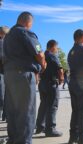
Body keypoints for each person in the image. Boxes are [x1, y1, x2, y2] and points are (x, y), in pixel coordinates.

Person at [3, 12, 46, 144]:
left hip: (9, 75)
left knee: (13, 110)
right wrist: (43, 64)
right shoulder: (25, 32)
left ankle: (13, 140)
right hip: (24, 75)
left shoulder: (8, 36)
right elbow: (39, 53)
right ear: (28, 22)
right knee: (27, 111)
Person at [35, 40, 64, 137]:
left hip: (42, 83)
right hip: (51, 83)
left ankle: (40, 126)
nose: (57, 49)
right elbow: (59, 68)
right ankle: (50, 129)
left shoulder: (43, 55)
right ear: (53, 47)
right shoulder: (52, 55)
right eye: (56, 47)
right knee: (52, 106)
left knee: (43, 105)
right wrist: (61, 78)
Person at [0, 26, 9, 121]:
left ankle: (5, 115)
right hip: (3, 72)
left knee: (6, 94)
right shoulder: (3, 43)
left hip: (6, 71)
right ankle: (4, 114)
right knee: (3, 95)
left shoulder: (5, 43)